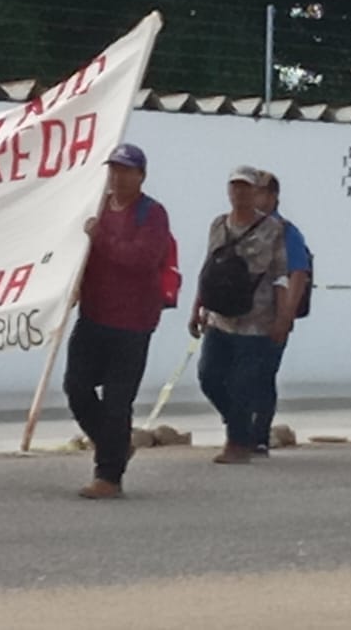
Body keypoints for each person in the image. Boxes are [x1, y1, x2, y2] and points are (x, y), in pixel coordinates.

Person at [64, 143, 171, 499]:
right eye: (114, 170)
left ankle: (108, 475)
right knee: (76, 387)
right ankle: (116, 444)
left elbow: (142, 258)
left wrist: (101, 237)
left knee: (117, 399)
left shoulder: (151, 214)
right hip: (93, 315)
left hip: (132, 322)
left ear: (141, 175)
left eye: (126, 170)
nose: (118, 177)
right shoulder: (97, 207)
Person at [191, 166, 290, 465]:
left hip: (256, 320)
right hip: (220, 317)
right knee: (209, 376)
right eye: (235, 187)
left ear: (256, 192)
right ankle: (241, 427)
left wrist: (282, 318)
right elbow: (209, 268)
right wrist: (197, 307)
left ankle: (237, 443)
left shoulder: (273, 229)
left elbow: (281, 276)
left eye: (246, 187)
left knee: (243, 383)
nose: (240, 193)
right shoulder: (218, 225)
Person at [250, 170, 310, 456]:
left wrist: (285, 317)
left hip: (274, 315)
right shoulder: (238, 225)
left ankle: (259, 435)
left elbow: (298, 273)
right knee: (227, 374)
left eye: (259, 191)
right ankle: (239, 425)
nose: (253, 197)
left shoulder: (286, 232)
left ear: (273, 196)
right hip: (242, 315)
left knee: (263, 375)